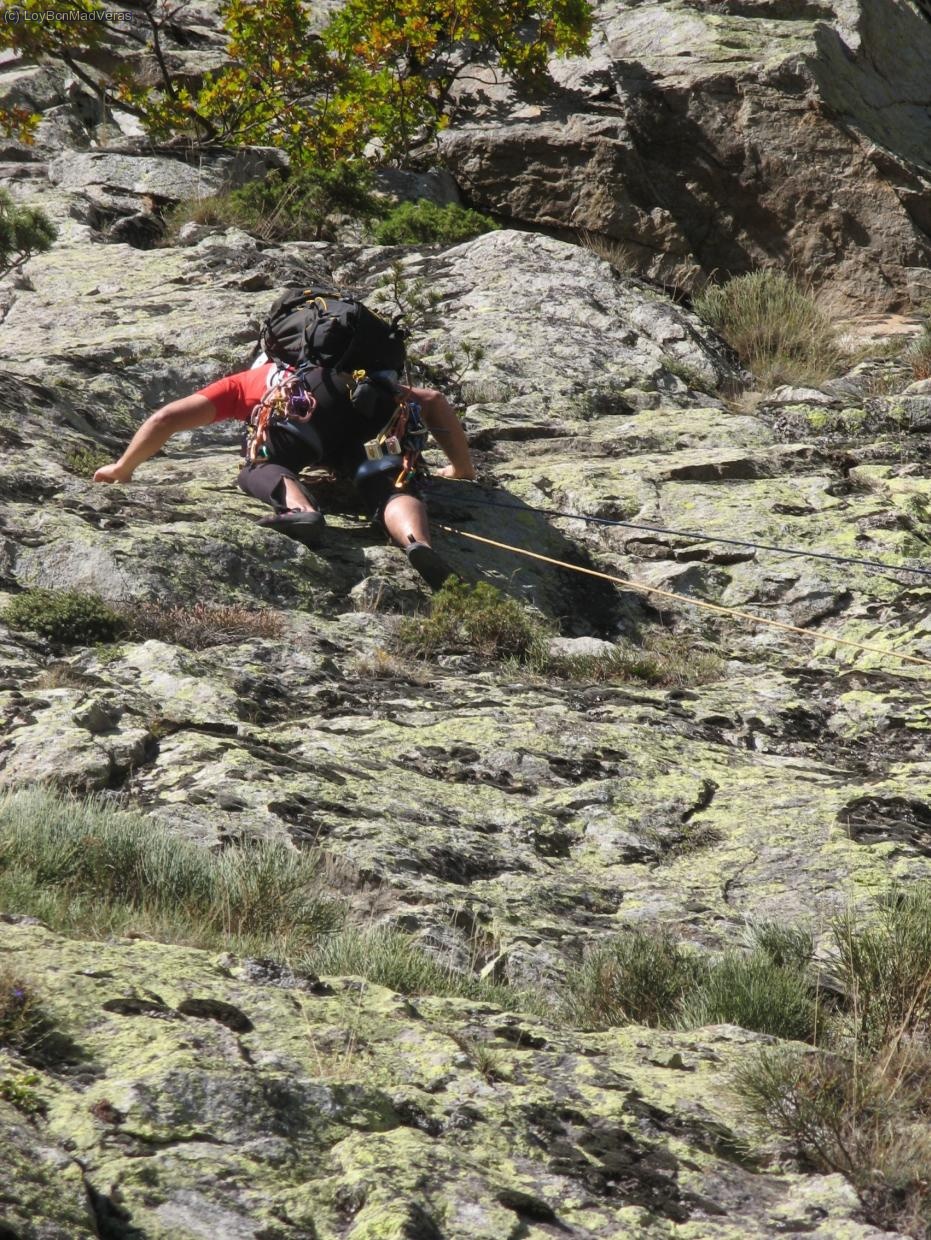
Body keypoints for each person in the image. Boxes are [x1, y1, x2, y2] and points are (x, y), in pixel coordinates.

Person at [93, 358, 476, 589]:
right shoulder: (360, 374)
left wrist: (123, 467)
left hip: (303, 416)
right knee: (387, 483)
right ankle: (417, 543)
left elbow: (167, 417)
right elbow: (433, 401)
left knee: (261, 464)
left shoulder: (256, 379)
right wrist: (462, 468)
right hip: (372, 412)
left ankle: (299, 510)